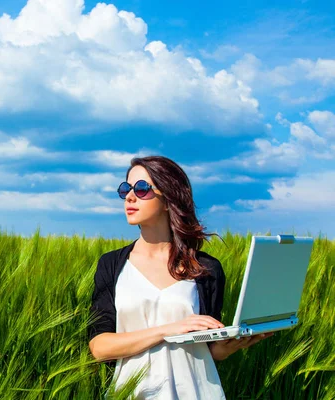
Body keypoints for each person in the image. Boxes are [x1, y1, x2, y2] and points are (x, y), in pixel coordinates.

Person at [88, 155, 272, 399]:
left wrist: (228, 346)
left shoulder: (206, 269)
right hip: (132, 393)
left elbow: (207, 350)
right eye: (126, 189)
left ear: (169, 199)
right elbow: (99, 347)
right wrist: (168, 330)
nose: (130, 197)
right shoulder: (111, 265)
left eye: (142, 189)